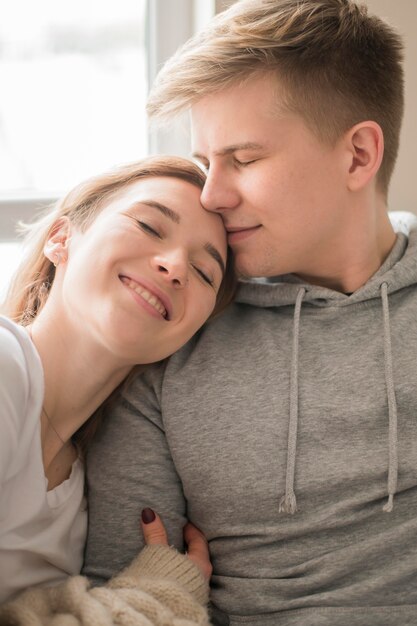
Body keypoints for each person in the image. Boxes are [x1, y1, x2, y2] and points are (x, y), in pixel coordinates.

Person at [82, 1, 417, 625]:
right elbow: (122, 592)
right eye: (208, 162)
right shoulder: (176, 324)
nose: (212, 194)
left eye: (244, 158)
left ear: (358, 156)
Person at [0, 155, 236, 622]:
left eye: (205, 273)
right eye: (149, 226)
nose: (174, 267)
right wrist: (161, 597)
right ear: (60, 238)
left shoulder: (85, 493)